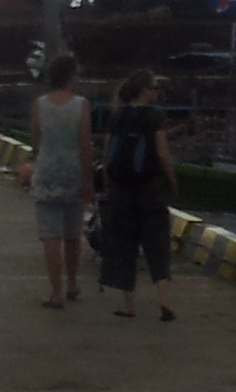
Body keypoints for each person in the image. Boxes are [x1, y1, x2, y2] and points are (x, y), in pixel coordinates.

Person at [93, 68, 177, 321]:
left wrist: (107, 182)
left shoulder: (118, 115)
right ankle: (164, 301)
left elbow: (107, 152)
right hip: (150, 188)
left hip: (121, 189)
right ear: (144, 90)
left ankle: (129, 305)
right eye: (154, 88)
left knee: (125, 246)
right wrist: (172, 181)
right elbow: (162, 153)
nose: (157, 92)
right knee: (157, 244)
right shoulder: (155, 116)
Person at [24, 53, 93, 306]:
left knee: (50, 236)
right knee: (73, 234)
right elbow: (85, 145)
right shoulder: (81, 104)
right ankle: (72, 284)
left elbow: (36, 141)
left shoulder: (40, 104)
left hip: (46, 172)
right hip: (73, 172)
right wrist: (89, 180)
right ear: (69, 76)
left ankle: (56, 293)